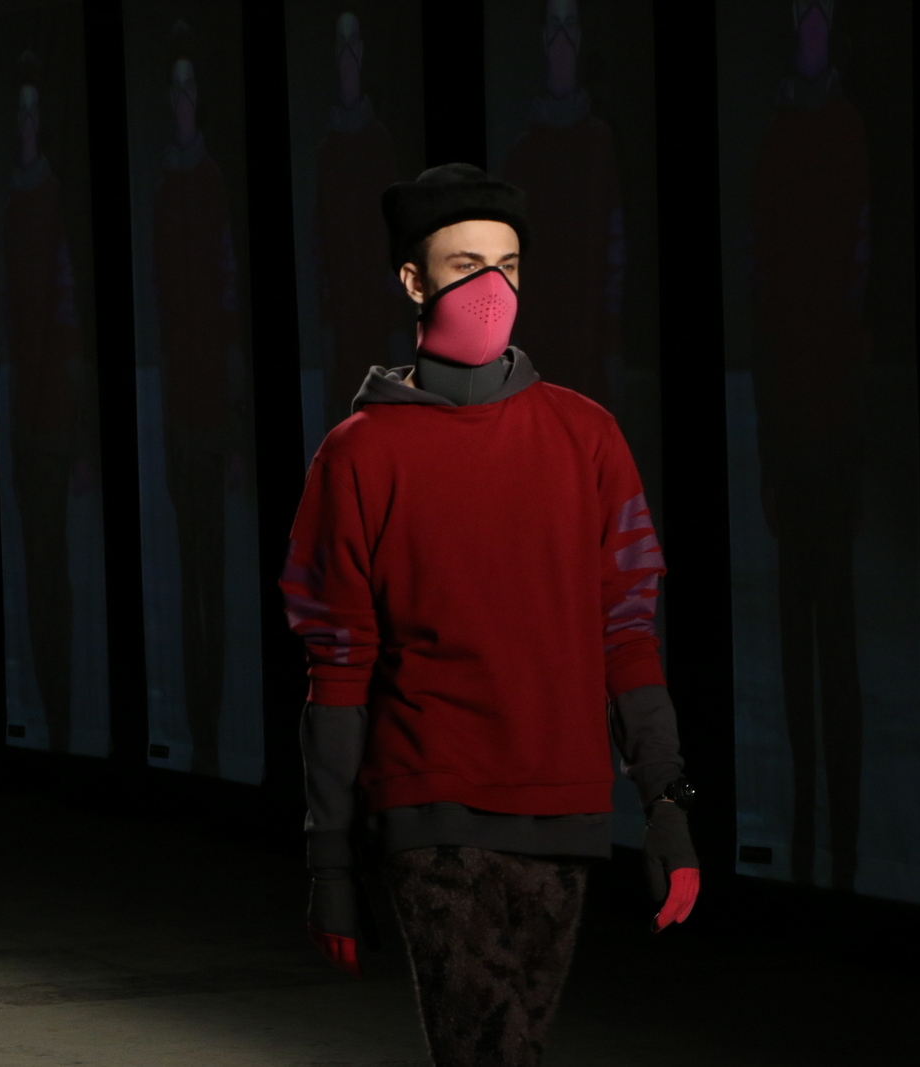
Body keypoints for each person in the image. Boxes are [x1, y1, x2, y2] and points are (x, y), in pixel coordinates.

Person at [281, 163, 699, 1067]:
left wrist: (667, 803)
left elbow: (627, 632)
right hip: (434, 805)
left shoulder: (586, 436)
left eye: (507, 265)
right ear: (413, 279)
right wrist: (330, 860)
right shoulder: (359, 456)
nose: (492, 288)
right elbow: (339, 663)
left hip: (566, 808)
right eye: (465, 264)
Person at [750, 0, 871, 892]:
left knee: (825, 634)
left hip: (820, 422)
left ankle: (832, 818)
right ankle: (821, 814)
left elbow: (851, 297)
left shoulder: (832, 135)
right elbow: (767, 303)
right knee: (811, 633)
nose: (813, 27)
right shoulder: (786, 140)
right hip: (801, 424)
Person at [152, 25, 245, 777]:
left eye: (191, 89)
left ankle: (212, 734)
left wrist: (233, 431)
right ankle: (200, 735)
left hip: (209, 420)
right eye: (174, 90)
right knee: (191, 583)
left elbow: (226, 306)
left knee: (210, 579)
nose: (183, 102)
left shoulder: (208, 186)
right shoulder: (167, 191)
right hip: (184, 420)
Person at [3, 52, 94, 753]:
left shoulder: (51, 208)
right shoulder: (19, 208)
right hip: (30, 420)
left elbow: (66, 324)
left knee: (51, 565)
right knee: (41, 565)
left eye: (37, 114)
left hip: (53, 422)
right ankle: (51, 713)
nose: (28, 126)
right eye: (22, 115)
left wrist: (77, 434)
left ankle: (60, 715)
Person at [499, 0, 623, 409]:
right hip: (540, 338)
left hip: (588, 338)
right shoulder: (523, 155)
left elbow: (614, 246)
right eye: (555, 26)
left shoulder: (599, 144)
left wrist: (611, 339)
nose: (562, 39)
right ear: (542, 38)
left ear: (581, 37)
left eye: (570, 26)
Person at [312, 11, 404, 434]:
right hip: (343, 316)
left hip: (376, 316)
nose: (348, 55)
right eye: (341, 44)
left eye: (354, 44)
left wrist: (395, 321)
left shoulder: (380, 145)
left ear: (362, 53)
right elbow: (320, 243)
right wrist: (327, 323)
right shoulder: (328, 152)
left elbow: (395, 237)